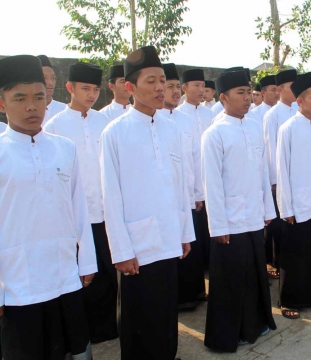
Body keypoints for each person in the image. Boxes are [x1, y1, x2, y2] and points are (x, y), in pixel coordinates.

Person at [100, 46, 194, 360]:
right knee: (139, 315)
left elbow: (181, 185)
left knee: (167, 309)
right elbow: (110, 196)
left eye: (163, 81)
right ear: (130, 87)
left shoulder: (172, 129)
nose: (159, 88)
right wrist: (122, 251)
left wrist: (185, 233)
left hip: (169, 236)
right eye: (150, 81)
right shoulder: (115, 133)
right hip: (137, 245)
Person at [0, 55, 96, 360]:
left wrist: (87, 261)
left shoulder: (63, 148)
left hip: (64, 274)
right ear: (2, 104)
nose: (31, 106)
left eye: (39, 97)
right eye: (20, 98)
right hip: (18, 283)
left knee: (72, 349)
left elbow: (78, 207)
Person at [202, 70, 277, 352]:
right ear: (223, 97)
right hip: (230, 221)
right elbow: (212, 184)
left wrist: (267, 209)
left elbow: (261, 172)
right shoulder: (215, 133)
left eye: (248, 92)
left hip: (254, 215)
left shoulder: (253, 126)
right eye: (240, 93)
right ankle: (227, 335)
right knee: (231, 280)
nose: (247, 98)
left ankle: (256, 324)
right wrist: (219, 226)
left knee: (254, 274)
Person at [43, 62, 118, 344]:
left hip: (104, 211)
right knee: (84, 275)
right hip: (74, 215)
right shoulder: (54, 126)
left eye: (95, 90)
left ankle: (111, 326)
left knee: (110, 273)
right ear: (70, 88)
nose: (91, 95)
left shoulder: (104, 123)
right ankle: (84, 331)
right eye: (85, 88)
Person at [276, 71, 311, 320]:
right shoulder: (287, 129)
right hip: (296, 203)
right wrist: (286, 208)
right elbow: (282, 170)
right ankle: (289, 299)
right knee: (294, 254)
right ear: (300, 101)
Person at [158, 63, 206, 310]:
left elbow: (195, 159)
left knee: (191, 248)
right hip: (165, 200)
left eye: (177, 87)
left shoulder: (185, 121)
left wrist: (198, 192)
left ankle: (193, 293)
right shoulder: (154, 122)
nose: (175, 91)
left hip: (188, 196)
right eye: (170, 87)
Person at [262, 68, 298, 279]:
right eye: (291, 87)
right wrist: (275, 180)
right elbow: (271, 148)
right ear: (279, 89)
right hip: (279, 180)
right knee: (278, 226)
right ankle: (275, 262)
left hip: (295, 177)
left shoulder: (297, 110)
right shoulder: (272, 115)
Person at [178, 68, 214, 268]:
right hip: (191, 183)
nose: (201, 90)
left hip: (210, 178)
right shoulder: (179, 114)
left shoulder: (210, 114)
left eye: (203, 86)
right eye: (196, 86)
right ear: (185, 88)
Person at [38, 55, 67, 125]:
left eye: (53, 78)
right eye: (45, 78)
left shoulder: (65, 110)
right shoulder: (28, 111)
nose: (50, 82)